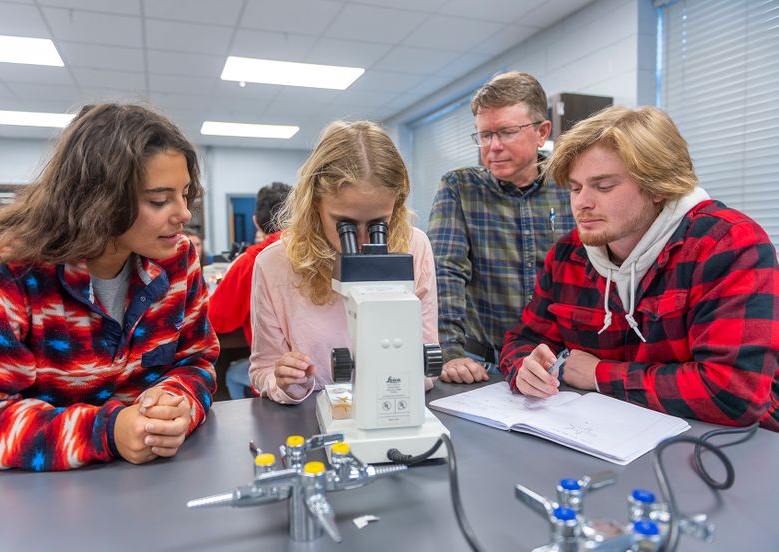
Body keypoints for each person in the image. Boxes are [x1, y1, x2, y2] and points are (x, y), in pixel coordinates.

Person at [0, 103, 220, 471]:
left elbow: (197, 359)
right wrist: (107, 431)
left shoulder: (178, 258)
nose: (184, 213)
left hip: (150, 481)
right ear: (99, 201)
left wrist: (174, 403)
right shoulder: (0, 271)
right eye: (159, 200)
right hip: (31, 499)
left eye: (185, 193)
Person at [500, 105, 778, 430]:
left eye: (603, 187)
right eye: (575, 188)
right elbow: (522, 340)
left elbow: (733, 392)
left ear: (658, 186)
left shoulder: (728, 243)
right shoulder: (568, 253)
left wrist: (597, 374)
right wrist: (524, 367)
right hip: (604, 436)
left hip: (729, 448)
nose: (581, 202)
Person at [249, 121, 438, 404]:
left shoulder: (415, 247)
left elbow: (426, 358)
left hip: (395, 403)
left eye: (378, 224)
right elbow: (263, 369)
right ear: (315, 203)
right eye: (345, 224)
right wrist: (287, 381)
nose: (361, 243)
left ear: (395, 207)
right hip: (313, 414)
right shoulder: (274, 264)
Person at [428, 71, 574, 385]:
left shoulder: (571, 185)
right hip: (485, 364)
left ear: (541, 131)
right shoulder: (461, 188)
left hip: (561, 362)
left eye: (506, 132)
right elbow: (445, 271)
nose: (493, 146)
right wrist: (450, 352)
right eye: (484, 135)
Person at [209, 181, 292, 399]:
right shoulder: (326, 255)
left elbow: (217, 320)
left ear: (256, 222)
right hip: (331, 381)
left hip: (275, 378)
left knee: (230, 373)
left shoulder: (252, 261)